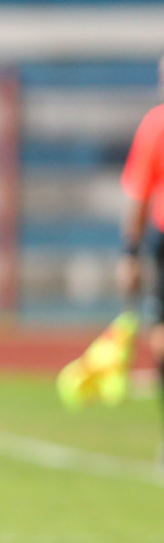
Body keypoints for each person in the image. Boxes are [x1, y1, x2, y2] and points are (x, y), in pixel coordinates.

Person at [118, 54, 164, 445]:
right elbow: (139, 195)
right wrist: (131, 253)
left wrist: (129, 254)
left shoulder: (156, 124)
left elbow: (137, 198)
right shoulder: (155, 126)